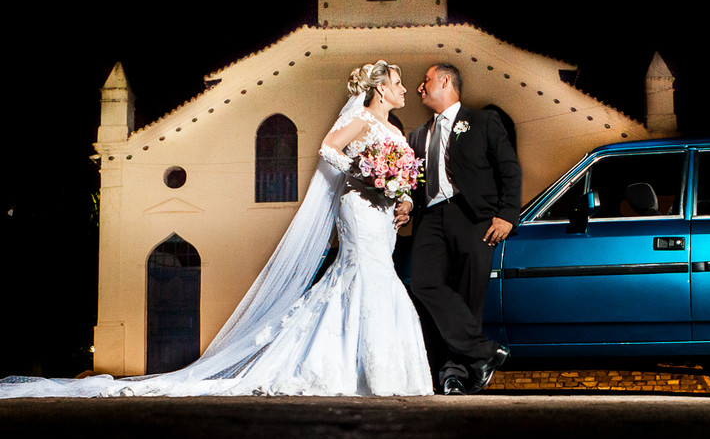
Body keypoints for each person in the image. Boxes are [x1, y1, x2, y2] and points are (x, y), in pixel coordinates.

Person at [0, 61, 433, 398]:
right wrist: (362, 172)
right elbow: (328, 148)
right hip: (358, 207)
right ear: (380, 88)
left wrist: (403, 199)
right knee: (361, 276)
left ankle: (379, 369)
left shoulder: (394, 128)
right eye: (397, 83)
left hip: (382, 216)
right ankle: (351, 369)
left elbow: (401, 177)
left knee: (380, 277)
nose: (402, 88)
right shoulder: (362, 120)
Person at [404, 63, 521, 395]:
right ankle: (483, 350)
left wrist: (508, 214)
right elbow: (413, 186)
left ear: (444, 81)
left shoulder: (484, 121)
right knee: (424, 281)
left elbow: (509, 168)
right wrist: (408, 205)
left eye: (425, 80)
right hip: (430, 218)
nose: (419, 88)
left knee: (469, 294)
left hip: (475, 219)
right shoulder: (417, 135)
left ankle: (454, 374)